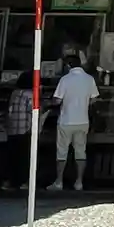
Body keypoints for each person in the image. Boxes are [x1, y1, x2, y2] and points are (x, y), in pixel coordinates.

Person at [48, 52, 98, 191]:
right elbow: (94, 99)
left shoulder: (65, 80)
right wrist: (83, 103)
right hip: (83, 121)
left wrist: (50, 102)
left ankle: (59, 182)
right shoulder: (89, 79)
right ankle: (79, 182)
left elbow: (57, 100)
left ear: (68, 66)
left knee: (62, 152)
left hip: (66, 120)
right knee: (81, 152)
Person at [0, 71, 35, 192]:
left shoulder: (14, 93)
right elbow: (32, 112)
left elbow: (9, 110)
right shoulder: (31, 94)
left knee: (11, 156)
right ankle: (23, 182)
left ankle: (8, 181)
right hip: (25, 129)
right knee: (24, 157)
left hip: (12, 129)